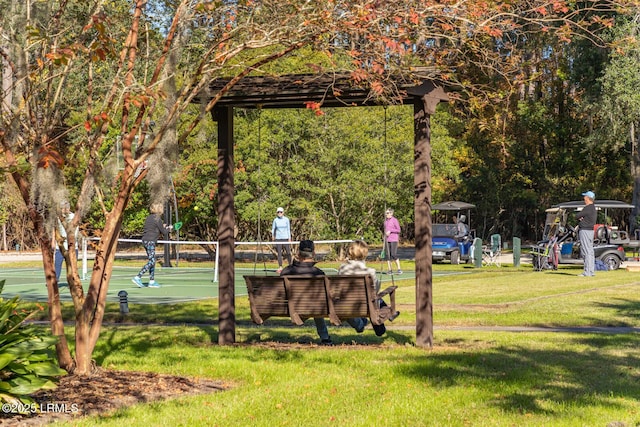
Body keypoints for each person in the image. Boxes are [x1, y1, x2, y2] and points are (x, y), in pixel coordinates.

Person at [280, 240, 333, 345]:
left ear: (298, 253)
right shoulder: (318, 273)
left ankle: (325, 337)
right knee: (317, 305)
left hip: (290, 308)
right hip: (312, 308)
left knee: (315, 305)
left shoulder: (286, 271)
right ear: (313, 254)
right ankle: (325, 337)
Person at [338, 240, 388, 336]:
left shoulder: (342, 269)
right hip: (366, 304)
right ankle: (380, 325)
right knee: (376, 300)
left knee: (374, 301)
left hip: (348, 304)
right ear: (365, 253)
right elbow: (375, 291)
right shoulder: (370, 272)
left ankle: (362, 324)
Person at [132, 203, 173, 288]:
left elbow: (154, 228)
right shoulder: (157, 219)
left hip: (145, 240)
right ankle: (138, 277)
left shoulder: (149, 218)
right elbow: (164, 232)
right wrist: (169, 229)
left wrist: (163, 227)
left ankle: (151, 281)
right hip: (150, 241)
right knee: (152, 261)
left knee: (152, 261)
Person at [52, 200, 79, 283]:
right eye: (62, 208)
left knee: (72, 265)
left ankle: (73, 281)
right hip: (60, 245)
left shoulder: (74, 217)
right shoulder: (57, 218)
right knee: (57, 264)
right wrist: (53, 241)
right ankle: (55, 280)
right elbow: (55, 229)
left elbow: (76, 230)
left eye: (66, 207)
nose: (64, 209)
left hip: (72, 246)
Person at [576, 190, 597, 277]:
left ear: (588, 198)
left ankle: (587, 272)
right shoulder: (593, 208)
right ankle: (591, 271)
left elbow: (577, 216)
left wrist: (581, 219)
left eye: (585, 197)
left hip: (585, 230)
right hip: (591, 231)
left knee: (586, 251)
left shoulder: (587, 208)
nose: (584, 198)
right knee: (590, 251)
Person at [271, 207, 292, 274]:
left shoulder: (286, 219)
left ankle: (290, 266)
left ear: (283, 212)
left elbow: (288, 229)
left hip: (285, 238)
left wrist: (289, 238)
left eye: (281, 212)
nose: (279, 213)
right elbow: (273, 228)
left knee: (288, 252)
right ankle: (280, 267)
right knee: (279, 253)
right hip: (278, 238)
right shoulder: (275, 220)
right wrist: (273, 236)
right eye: (278, 212)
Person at [383, 208, 402, 275]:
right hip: (387, 240)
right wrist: (385, 234)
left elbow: (398, 230)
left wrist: (391, 231)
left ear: (391, 213)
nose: (386, 214)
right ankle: (390, 270)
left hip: (393, 239)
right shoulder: (385, 221)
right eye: (386, 213)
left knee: (393, 254)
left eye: (387, 213)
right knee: (388, 255)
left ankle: (399, 269)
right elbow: (385, 230)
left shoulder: (395, 220)